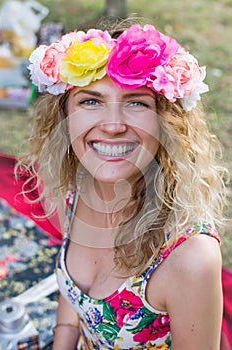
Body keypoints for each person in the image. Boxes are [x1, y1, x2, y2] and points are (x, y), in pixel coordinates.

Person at [22, 19, 228, 349]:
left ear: (167, 124)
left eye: (136, 102)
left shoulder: (190, 258)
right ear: (64, 118)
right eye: (91, 101)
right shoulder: (76, 194)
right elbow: (72, 302)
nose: (114, 125)